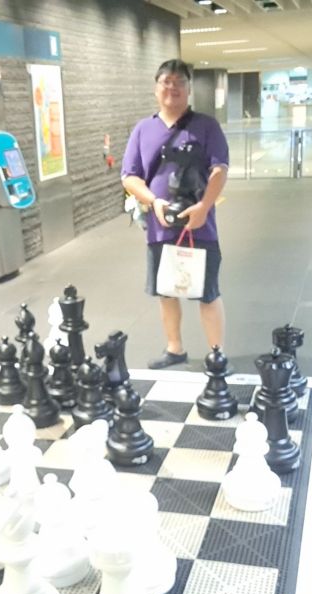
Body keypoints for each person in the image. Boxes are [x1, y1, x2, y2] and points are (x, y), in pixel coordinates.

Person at [121, 59, 229, 369]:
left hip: (200, 225)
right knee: (166, 292)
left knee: (208, 292)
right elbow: (129, 176)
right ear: (156, 88)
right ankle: (174, 348)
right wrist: (154, 202)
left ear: (189, 89)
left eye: (179, 82)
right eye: (166, 82)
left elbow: (220, 169)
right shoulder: (143, 129)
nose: (173, 87)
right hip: (160, 226)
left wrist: (204, 207)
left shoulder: (207, 126)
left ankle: (217, 354)